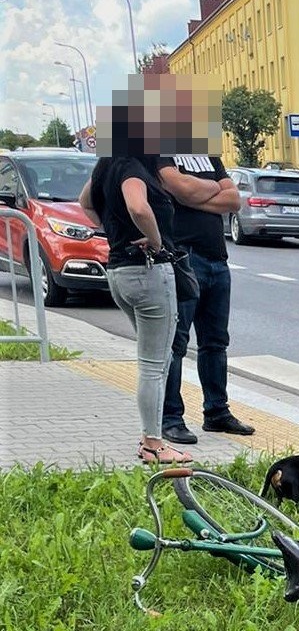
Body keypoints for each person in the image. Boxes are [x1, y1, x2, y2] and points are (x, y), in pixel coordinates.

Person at [79, 150, 191, 463]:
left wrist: (117, 232)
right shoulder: (132, 165)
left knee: (151, 360)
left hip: (117, 272)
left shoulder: (106, 165)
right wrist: (154, 239)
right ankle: (153, 444)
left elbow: (84, 202)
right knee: (155, 364)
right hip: (148, 271)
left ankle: (151, 440)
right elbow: (138, 207)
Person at [158, 152, 252, 445]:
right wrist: (208, 190)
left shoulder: (210, 156)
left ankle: (216, 412)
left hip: (217, 260)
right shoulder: (162, 153)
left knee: (215, 342)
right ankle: (170, 418)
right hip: (184, 258)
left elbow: (234, 200)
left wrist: (194, 195)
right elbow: (181, 190)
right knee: (176, 343)